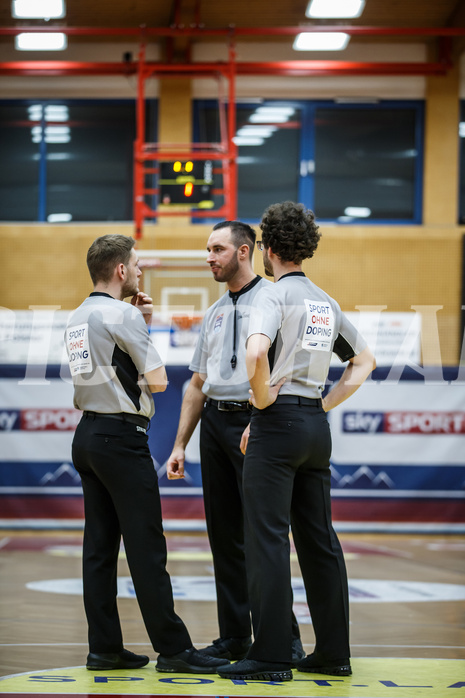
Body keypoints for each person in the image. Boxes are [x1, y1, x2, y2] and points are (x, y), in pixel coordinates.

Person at [218, 201, 376, 682]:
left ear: (266, 249)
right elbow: (364, 362)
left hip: (277, 426)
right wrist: (321, 407)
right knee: (320, 542)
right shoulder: (324, 301)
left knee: (266, 540)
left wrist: (263, 399)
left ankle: (269, 656)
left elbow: (256, 350)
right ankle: (333, 652)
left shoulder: (271, 295)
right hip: (314, 427)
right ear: (306, 248)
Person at [65, 234, 229, 674]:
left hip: (88, 437)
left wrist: (135, 323)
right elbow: (156, 381)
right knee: (147, 549)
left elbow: (105, 365)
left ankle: (104, 647)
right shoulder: (123, 314)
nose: (140, 271)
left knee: (98, 549)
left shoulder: (78, 315)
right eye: (136, 264)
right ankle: (174, 650)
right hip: (120, 440)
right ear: (120, 270)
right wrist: (142, 325)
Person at [167, 221, 304, 664]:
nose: (209, 257)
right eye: (208, 249)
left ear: (244, 251)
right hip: (215, 425)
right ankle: (234, 637)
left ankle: (284, 638)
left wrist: (261, 416)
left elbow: (283, 370)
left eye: (217, 249)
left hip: (256, 422)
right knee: (224, 536)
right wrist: (179, 445)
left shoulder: (274, 298)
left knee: (263, 536)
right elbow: (196, 384)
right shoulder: (214, 311)